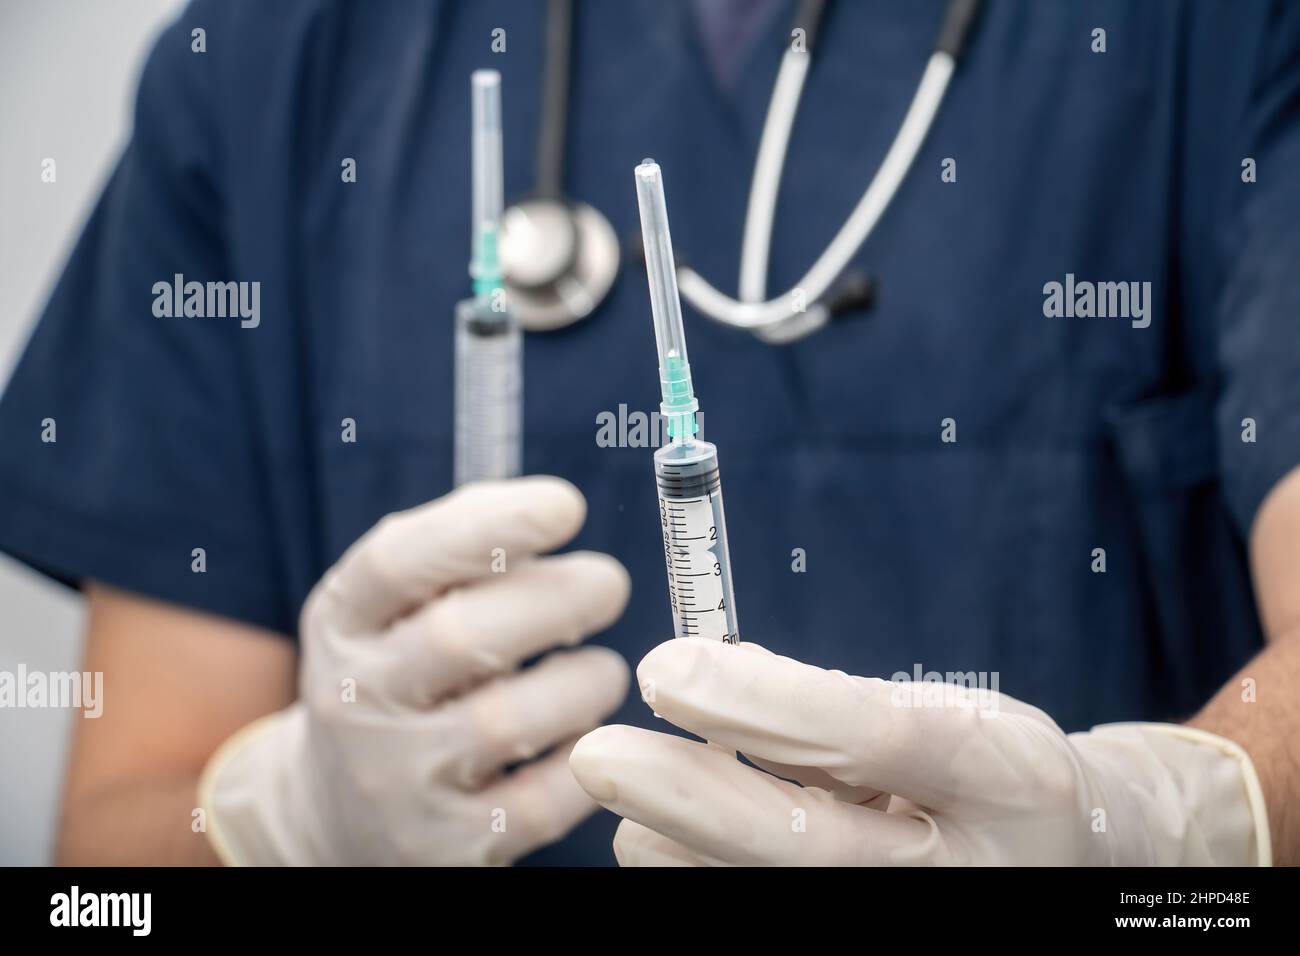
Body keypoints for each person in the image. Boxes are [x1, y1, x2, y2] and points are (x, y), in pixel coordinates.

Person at [0, 0, 1296, 866]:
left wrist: (1161, 831)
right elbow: (107, 855)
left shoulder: (1215, 32)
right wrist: (287, 818)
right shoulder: (275, 59)